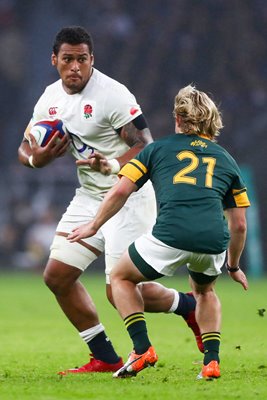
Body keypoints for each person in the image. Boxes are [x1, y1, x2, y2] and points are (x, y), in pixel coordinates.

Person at [18, 26, 202, 374]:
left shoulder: (112, 94)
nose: (75, 67)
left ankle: (187, 306)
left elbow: (147, 144)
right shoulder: (50, 98)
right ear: (54, 60)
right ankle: (104, 357)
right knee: (57, 276)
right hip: (89, 195)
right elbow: (25, 147)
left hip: (128, 194)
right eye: (68, 59)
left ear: (92, 60)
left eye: (82, 60)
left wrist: (114, 163)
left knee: (117, 289)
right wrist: (35, 159)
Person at [67, 84, 250, 380]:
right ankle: (212, 362)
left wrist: (94, 224)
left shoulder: (156, 149)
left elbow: (120, 191)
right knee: (205, 291)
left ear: (177, 118)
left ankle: (141, 348)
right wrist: (234, 265)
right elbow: (239, 224)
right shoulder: (226, 159)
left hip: (170, 235)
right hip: (213, 240)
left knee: (120, 277)